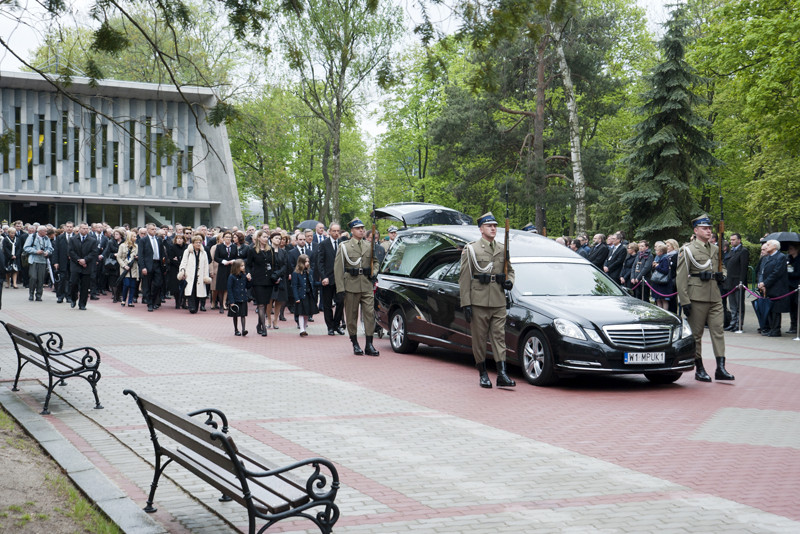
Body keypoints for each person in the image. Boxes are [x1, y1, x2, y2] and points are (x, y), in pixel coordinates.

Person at [458, 212, 516, 388]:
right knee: (479, 339)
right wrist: (466, 303)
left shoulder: (501, 247)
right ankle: (483, 373)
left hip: (498, 300)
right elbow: (464, 278)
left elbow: (510, 270)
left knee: (499, 338)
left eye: (495, 226)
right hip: (479, 301)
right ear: (481, 229)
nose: (493, 228)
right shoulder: (472, 249)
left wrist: (509, 282)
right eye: (489, 226)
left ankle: (502, 374)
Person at [676, 214, 734, 382]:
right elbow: (680, 278)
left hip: (715, 296)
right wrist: (684, 301)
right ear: (696, 230)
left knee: (718, 331)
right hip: (697, 297)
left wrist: (722, 275)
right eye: (704, 228)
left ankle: (721, 367)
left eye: (709, 228)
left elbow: (722, 268)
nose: (708, 231)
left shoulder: (715, 249)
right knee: (696, 335)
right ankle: (699, 368)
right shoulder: (687, 249)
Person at [333, 218, 380, 356]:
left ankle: (369, 345)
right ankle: (355, 343)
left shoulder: (369, 245)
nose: (361, 230)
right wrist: (340, 289)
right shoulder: (344, 246)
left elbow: (376, 262)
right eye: (358, 228)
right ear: (352, 231)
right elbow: (338, 269)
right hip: (351, 285)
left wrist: (373, 272)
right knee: (351, 316)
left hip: (366, 285)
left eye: (362, 228)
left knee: (369, 315)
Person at [245, 230, 280, 336]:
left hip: (269, 280)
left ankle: (259, 324)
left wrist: (276, 276)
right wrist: (248, 273)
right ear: (259, 238)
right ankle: (264, 327)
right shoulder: (252, 250)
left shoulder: (270, 250)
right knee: (260, 304)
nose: (266, 238)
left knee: (265, 304)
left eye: (267, 237)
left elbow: (274, 265)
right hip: (257, 280)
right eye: (264, 237)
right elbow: (248, 264)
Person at [314, 222, 345, 336]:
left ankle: (337, 324)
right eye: (334, 231)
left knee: (340, 302)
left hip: (340, 279)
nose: (336, 233)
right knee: (327, 304)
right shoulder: (323, 244)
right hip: (328, 278)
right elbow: (320, 262)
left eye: (338, 231)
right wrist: (323, 276)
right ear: (330, 232)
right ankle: (330, 327)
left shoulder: (343, 244)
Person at [757, 239, 789, 337]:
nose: (766, 246)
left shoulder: (781, 257)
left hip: (777, 287)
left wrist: (765, 283)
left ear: (775, 246)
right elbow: (763, 271)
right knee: (770, 309)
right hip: (769, 287)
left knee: (776, 310)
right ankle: (771, 328)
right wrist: (762, 283)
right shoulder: (768, 257)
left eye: (768, 244)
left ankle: (776, 330)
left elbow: (776, 273)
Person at [68, 223, 99, 310]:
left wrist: (85, 260)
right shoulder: (73, 239)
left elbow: (94, 252)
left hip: (87, 265)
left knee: (85, 286)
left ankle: (82, 304)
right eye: (83, 228)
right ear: (80, 229)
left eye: (87, 228)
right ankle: (73, 298)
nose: (85, 230)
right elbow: (71, 251)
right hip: (76, 265)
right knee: (73, 283)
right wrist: (79, 260)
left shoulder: (92, 240)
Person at [723, 233, 750, 331]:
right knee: (733, 305)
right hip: (730, 282)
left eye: (733, 240)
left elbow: (744, 268)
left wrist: (741, 282)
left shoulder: (743, 251)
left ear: (739, 240)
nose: (731, 241)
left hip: (738, 282)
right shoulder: (732, 251)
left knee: (739, 305)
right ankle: (733, 322)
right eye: (730, 240)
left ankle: (739, 323)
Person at [178, 235, 212, 313]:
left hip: (199, 274)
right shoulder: (187, 251)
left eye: (200, 242)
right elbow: (183, 262)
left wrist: (206, 275)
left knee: (198, 291)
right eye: (196, 243)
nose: (198, 244)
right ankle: (191, 307)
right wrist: (182, 271)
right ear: (193, 243)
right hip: (189, 274)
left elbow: (206, 265)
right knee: (191, 290)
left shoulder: (204, 253)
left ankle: (196, 307)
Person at [138, 223, 166, 312]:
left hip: (157, 264)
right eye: (152, 229)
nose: (154, 230)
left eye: (155, 229)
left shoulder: (159, 240)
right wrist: (143, 267)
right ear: (148, 230)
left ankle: (154, 301)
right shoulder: (143, 240)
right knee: (147, 285)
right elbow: (141, 255)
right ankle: (149, 303)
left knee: (158, 284)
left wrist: (163, 264)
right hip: (148, 265)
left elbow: (162, 253)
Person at [23, 225, 54, 301]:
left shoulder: (46, 238)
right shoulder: (32, 237)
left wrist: (47, 252)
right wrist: (36, 251)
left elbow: (51, 248)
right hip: (33, 260)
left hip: (43, 261)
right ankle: (31, 294)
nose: (46, 233)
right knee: (33, 277)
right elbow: (26, 247)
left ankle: (39, 295)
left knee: (41, 279)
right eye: (45, 231)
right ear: (40, 231)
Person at [292, 254, 318, 337]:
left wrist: (321, 284)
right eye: (305, 262)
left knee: (307, 313)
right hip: (301, 295)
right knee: (301, 313)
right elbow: (294, 286)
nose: (307, 263)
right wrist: (296, 297)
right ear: (301, 262)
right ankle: (301, 329)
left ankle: (304, 328)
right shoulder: (296, 273)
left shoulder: (310, 272)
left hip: (309, 294)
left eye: (308, 261)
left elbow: (313, 283)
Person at [269, 232, 289, 329]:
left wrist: (278, 275)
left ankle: (275, 320)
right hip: (269, 278)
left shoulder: (283, 252)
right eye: (276, 238)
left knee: (279, 300)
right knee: (269, 300)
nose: (278, 240)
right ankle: (268, 319)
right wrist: (273, 276)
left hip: (281, 278)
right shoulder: (268, 250)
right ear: (271, 239)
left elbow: (285, 265)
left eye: (279, 238)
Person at [116, 231, 140, 307]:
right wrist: (123, 265)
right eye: (134, 236)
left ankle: (130, 301)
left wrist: (137, 258)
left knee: (133, 285)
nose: (135, 238)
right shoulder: (122, 246)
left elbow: (139, 256)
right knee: (126, 284)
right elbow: (119, 257)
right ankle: (123, 299)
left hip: (133, 268)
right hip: (125, 268)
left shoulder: (136, 246)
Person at [227, 259, 249, 336]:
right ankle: (236, 329)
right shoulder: (231, 277)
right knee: (235, 315)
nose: (243, 267)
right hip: (235, 298)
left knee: (243, 314)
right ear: (237, 267)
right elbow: (229, 289)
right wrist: (231, 301)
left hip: (243, 297)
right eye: (241, 266)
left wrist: (249, 280)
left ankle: (243, 329)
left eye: (244, 266)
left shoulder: (244, 275)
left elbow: (248, 286)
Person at [167, 233, 188, 309]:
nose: (179, 240)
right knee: (176, 286)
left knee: (185, 285)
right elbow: (171, 258)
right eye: (178, 238)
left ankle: (183, 301)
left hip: (184, 269)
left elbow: (186, 259)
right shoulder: (172, 247)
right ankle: (177, 301)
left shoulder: (186, 247)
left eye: (181, 238)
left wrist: (179, 260)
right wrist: (179, 261)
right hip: (175, 269)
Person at [103, 228, 124, 302]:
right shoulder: (111, 242)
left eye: (117, 234)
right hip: (113, 264)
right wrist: (114, 254)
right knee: (113, 281)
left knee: (120, 280)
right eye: (115, 234)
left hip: (121, 264)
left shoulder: (124, 242)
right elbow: (107, 253)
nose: (116, 236)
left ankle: (118, 295)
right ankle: (115, 296)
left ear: (121, 235)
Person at [649, 242, 672, 310]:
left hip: (663, 283)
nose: (655, 251)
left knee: (663, 300)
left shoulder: (665, 259)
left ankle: (665, 313)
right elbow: (654, 269)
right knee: (658, 299)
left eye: (657, 250)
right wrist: (653, 266)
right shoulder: (657, 258)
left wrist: (657, 266)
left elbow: (665, 271)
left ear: (661, 252)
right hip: (657, 282)